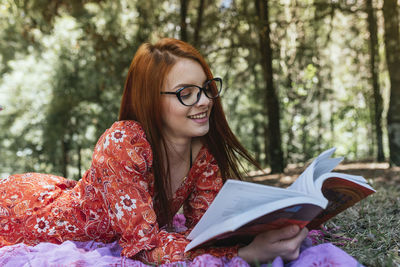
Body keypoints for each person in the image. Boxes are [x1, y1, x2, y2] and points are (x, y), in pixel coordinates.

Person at [0, 38, 308, 265]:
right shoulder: (123, 144)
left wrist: (271, 228)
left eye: (206, 88)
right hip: (30, 216)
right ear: (151, 100)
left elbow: (207, 232)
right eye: (185, 93)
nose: (203, 101)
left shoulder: (203, 154)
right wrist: (244, 255)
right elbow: (145, 248)